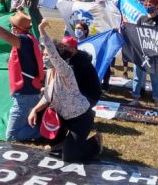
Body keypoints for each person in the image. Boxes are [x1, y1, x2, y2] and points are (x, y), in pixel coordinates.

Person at [28, 20, 102, 162]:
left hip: (80, 118)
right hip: (63, 116)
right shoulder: (50, 72)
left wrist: (42, 31)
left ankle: (95, 143)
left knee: (69, 156)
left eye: (46, 55)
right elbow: (47, 96)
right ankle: (62, 142)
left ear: (58, 59)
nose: (44, 57)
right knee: (41, 118)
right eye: (43, 54)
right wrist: (35, 110)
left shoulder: (66, 72)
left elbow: (54, 55)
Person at [0, 9, 44, 141]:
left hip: (25, 95)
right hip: (28, 93)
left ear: (18, 29)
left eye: (12, 26)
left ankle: (45, 130)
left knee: (12, 135)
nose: (11, 29)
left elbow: (5, 36)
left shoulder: (23, 40)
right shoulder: (29, 39)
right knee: (20, 123)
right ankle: (39, 125)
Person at [131, 0, 158, 107]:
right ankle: (135, 97)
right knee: (138, 77)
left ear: (157, 7)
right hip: (141, 54)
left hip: (154, 54)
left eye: (152, 5)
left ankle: (157, 99)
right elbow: (135, 33)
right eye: (147, 4)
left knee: (155, 78)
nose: (149, 6)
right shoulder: (141, 18)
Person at [59, 36, 102, 107]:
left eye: (66, 47)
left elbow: (72, 83)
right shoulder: (74, 56)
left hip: (88, 96)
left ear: (73, 48)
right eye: (62, 47)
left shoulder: (78, 62)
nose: (63, 49)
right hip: (85, 92)